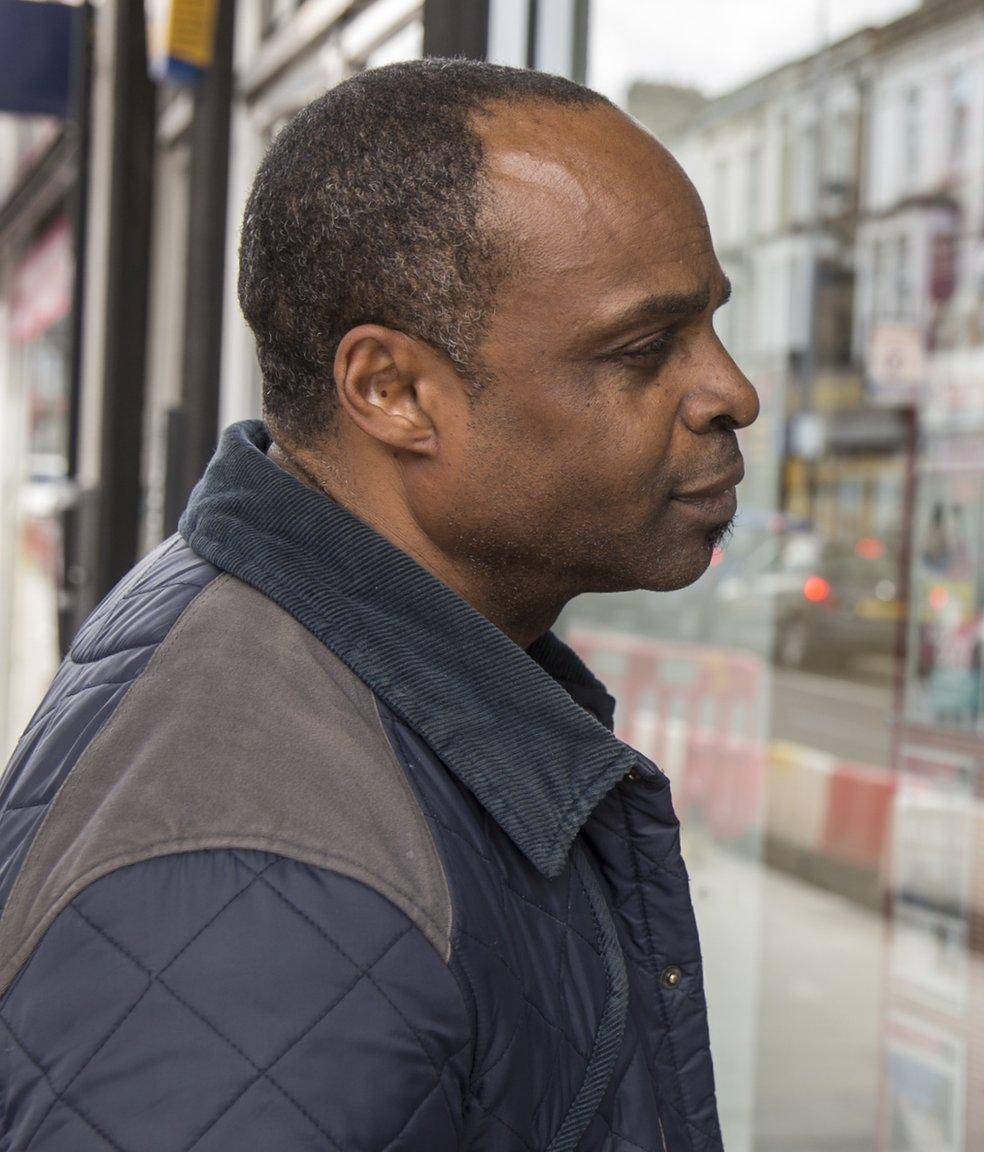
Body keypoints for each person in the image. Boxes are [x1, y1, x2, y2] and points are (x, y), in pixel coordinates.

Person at [0, 58, 756, 1151]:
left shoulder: (313, 671)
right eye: (645, 350)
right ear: (391, 392)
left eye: (711, 326)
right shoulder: (258, 880)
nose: (732, 390)